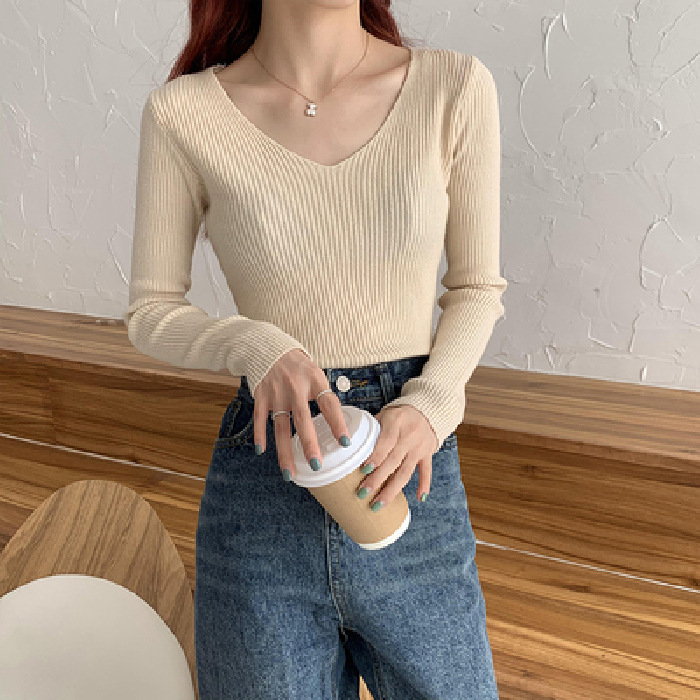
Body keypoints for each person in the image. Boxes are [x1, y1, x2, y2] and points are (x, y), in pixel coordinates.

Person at [124, 1, 507, 698]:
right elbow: (152, 313)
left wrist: (430, 404)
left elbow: (478, 288)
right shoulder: (185, 113)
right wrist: (254, 343)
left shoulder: (451, 86)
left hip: (409, 470)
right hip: (263, 484)